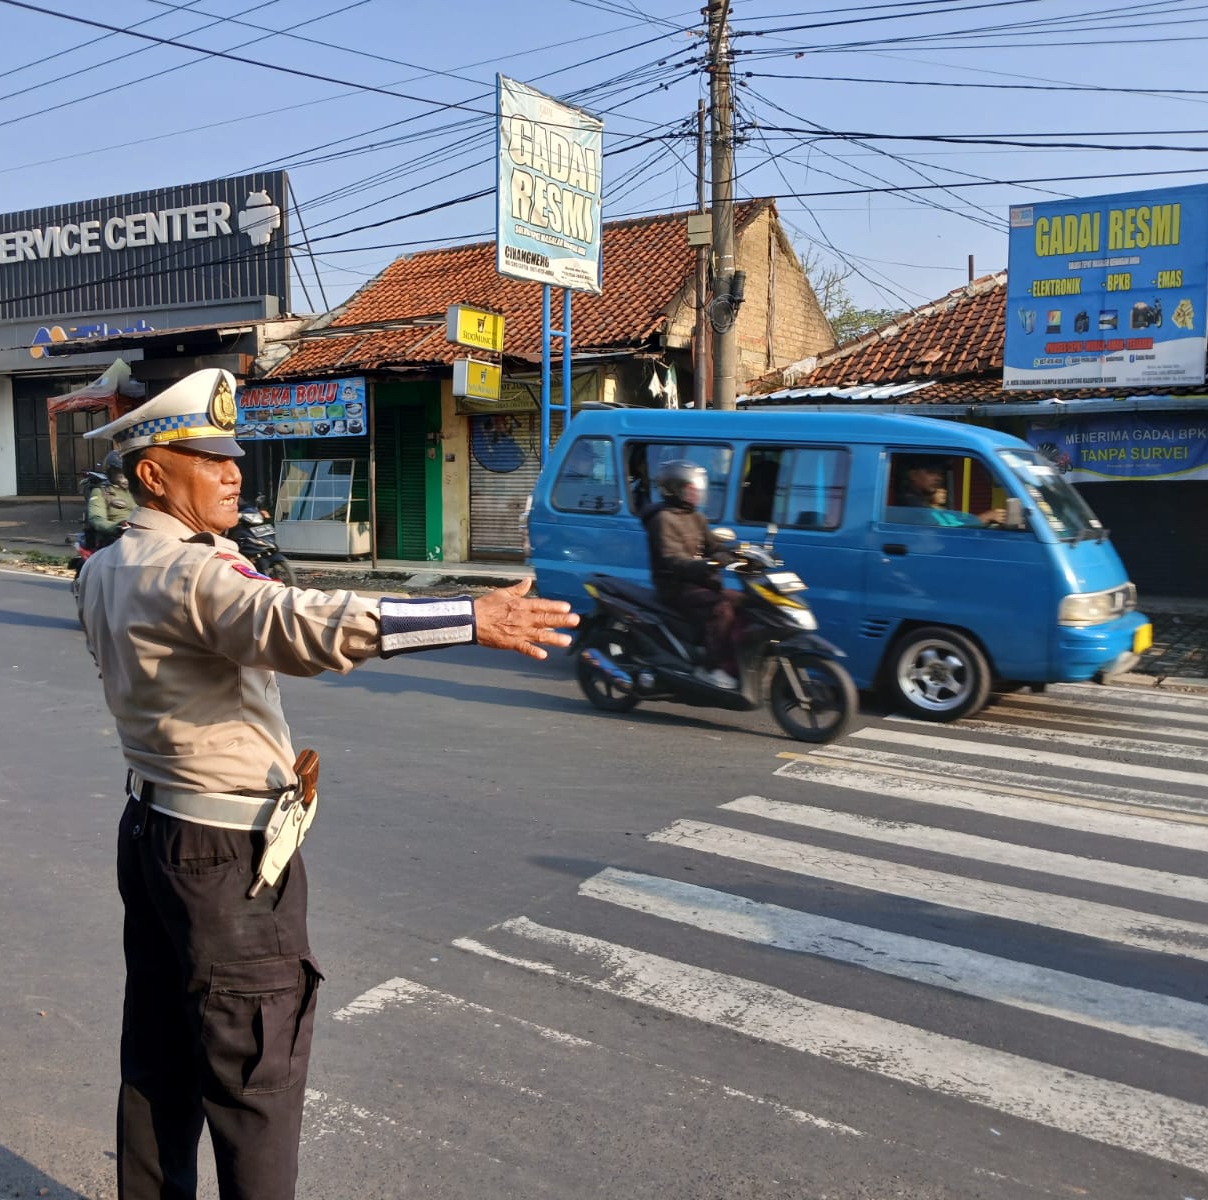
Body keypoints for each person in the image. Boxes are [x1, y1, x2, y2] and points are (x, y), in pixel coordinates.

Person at [74, 368, 577, 1200]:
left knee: (159, 1061)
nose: (233, 470)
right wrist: (467, 616)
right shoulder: (192, 573)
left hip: (153, 831)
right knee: (254, 1088)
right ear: (154, 475)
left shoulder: (106, 566)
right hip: (225, 859)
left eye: (234, 455)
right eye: (206, 456)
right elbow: (298, 625)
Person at [640, 458, 738, 688]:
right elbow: (672, 559)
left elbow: (713, 544)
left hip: (699, 582)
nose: (696, 495)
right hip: (675, 586)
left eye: (697, 490)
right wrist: (707, 565)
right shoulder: (663, 520)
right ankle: (711, 668)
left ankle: (736, 661)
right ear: (675, 490)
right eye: (690, 490)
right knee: (721, 609)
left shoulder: (696, 517)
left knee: (747, 602)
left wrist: (740, 552)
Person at [895, 456, 1005, 527]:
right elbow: (946, 529)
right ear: (913, 475)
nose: (938, 478)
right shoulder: (909, 502)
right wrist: (983, 518)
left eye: (939, 473)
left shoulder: (926, 501)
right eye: (931, 472)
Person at [84, 449, 135, 549]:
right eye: (118, 473)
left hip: (141, 535)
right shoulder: (101, 491)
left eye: (125, 472)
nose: (123, 477)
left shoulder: (138, 489)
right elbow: (96, 519)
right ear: (110, 472)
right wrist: (116, 527)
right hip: (116, 538)